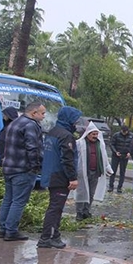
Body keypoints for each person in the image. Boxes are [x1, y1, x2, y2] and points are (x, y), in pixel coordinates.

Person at [0, 102, 46, 241]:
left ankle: (3, 229)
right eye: (42, 113)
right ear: (33, 113)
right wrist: (35, 166)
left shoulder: (15, 123)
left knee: (8, 199)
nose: (43, 117)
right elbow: (32, 148)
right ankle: (11, 231)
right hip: (23, 169)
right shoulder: (30, 125)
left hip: (9, 167)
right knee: (18, 201)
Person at [39, 106, 82, 249]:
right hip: (59, 177)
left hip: (50, 174)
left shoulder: (53, 131)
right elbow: (67, 159)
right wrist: (73, 178)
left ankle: (54, 235)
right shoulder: (66, 136)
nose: (76, 123)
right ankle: (47, 237)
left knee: (55, 207)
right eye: (74, 120)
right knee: (55, 208)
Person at [74, 122, 113, 221]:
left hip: (95, 172)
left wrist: (107, 167)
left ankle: (86, 211)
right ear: (88, 134)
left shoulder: (100, 144)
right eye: (93, 134)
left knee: (91, 193)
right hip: (83, 172)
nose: (95, 136)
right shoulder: (80, 143)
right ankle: (79, 212)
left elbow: (104, 157)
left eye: (96, 134)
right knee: (81, 192)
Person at [108, 124, 133, 193]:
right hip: (116, 155)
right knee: (113, 171)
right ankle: (111, 186)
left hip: (125, 156)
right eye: (123, 131)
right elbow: (112, 144)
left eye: (126, 132)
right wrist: (115, 151)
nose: (124, 133)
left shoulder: (131, 136)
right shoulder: (116, 135)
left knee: (122, 171)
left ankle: (119, 187)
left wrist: (129, 152)